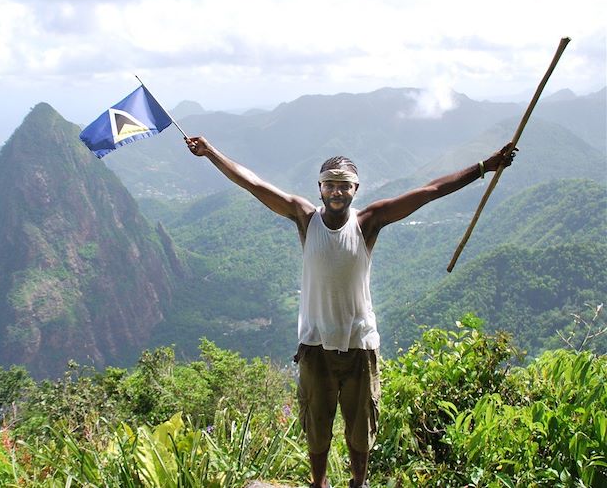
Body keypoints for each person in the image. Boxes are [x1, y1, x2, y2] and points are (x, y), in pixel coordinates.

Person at [185, 135, 517, 488]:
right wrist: (211, 153)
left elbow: (431, 190)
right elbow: (251, 183)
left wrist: (485, 166)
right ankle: (319, 483)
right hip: (315, 346)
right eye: (330, 185)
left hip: (359, 345)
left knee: (360, 430)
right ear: (319, 188)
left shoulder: (368, 222)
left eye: (344, 186)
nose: (336, 192)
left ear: (355, 189)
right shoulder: (304, 217)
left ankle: (358, 484)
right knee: (317, 425)